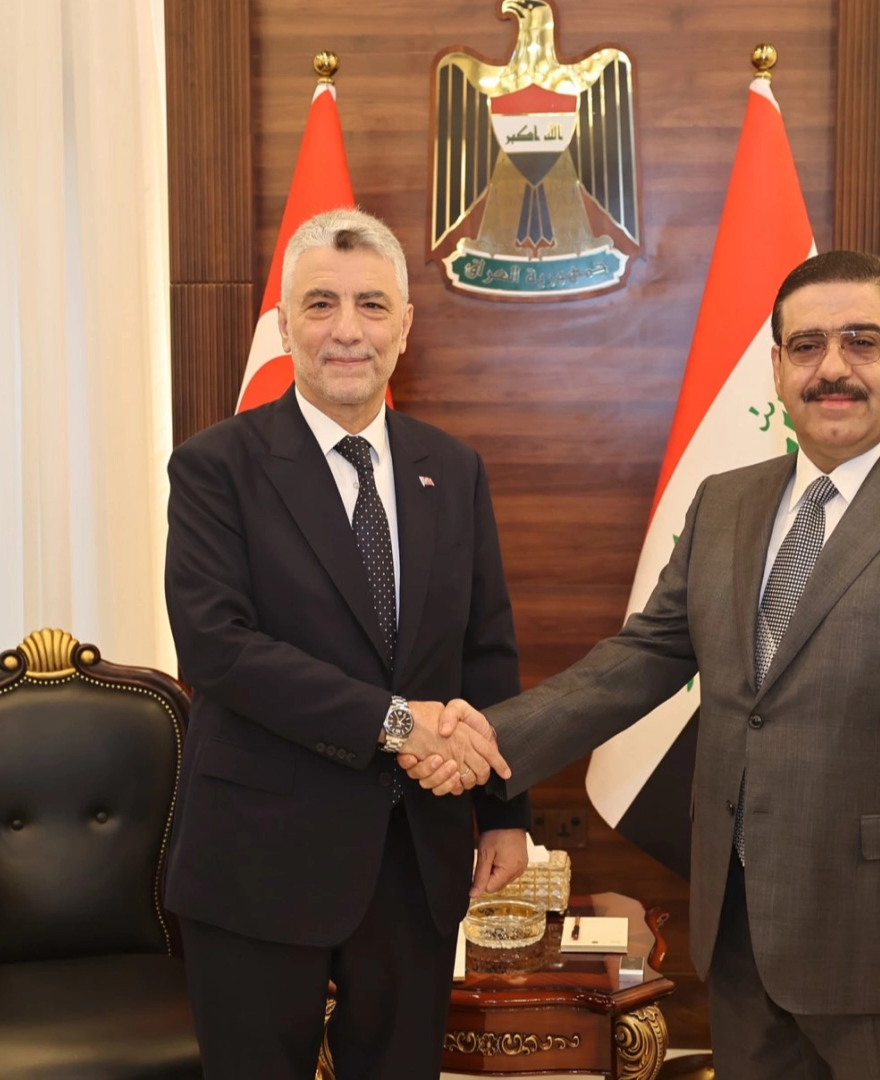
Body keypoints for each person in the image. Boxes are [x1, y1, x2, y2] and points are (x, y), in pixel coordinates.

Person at [407, 250, 880, 1080]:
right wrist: (484, 737)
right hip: (740, 940)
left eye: (861, 341)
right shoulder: (726, 502)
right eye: (807, 346)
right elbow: (640, 659)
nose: (832, 368)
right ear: (777, 368)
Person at [162, 207, 530, 1080]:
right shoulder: (215, 467)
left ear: (405, 326)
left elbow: (486, 650)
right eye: (320, 304)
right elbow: (218, 648)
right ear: (284, 324)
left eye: (371, 305)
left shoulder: (453, 469)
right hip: (260, 854)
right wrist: (399, 723)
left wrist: (506, 814)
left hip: (414, 855)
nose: (347, 330)